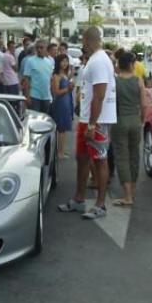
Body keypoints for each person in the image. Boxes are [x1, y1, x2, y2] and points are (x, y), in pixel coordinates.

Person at [58, 26, 117, 220]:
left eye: (83, 42)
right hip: (87, 119)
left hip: (97, 121)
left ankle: (100, 205)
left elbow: (99, 96)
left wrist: (92, 124)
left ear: (88, 40)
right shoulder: (94, 60)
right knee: (82, 158)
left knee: (100, 161)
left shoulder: (100, 61)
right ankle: (79, 199)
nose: (82, 46)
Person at [112, 52, 147, 207]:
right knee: (134, 155)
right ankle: (132, 191)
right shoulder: (138, 80)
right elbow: (144, 104)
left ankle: (127, 196)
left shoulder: (115, 81)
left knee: (122, 157)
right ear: (131, 64)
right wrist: (141, 119)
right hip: (135, 119)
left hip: (119, 120)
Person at [50, 54, 75, 158]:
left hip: (67, 102)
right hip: (61, 104)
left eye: (66, 61)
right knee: (61, 129)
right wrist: (68, 89)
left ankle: (61, 151)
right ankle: (59, 152)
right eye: (62, 61)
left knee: (63, 129)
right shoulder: (56, 76)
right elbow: (55, 92)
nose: (65, 63)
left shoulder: (64, 75)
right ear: (58, 63)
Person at [23, 40, 54, 113]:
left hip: (46, 97)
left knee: (44, 120)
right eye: (37, 48)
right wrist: (27, 96)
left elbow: (50, 79)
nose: (39, 50)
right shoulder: (30, 61)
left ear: (46, 48)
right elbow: (26, 79)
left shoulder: (49, 62)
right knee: (34, 120)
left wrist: (51, 96)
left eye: (41, 47)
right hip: (34, 96)